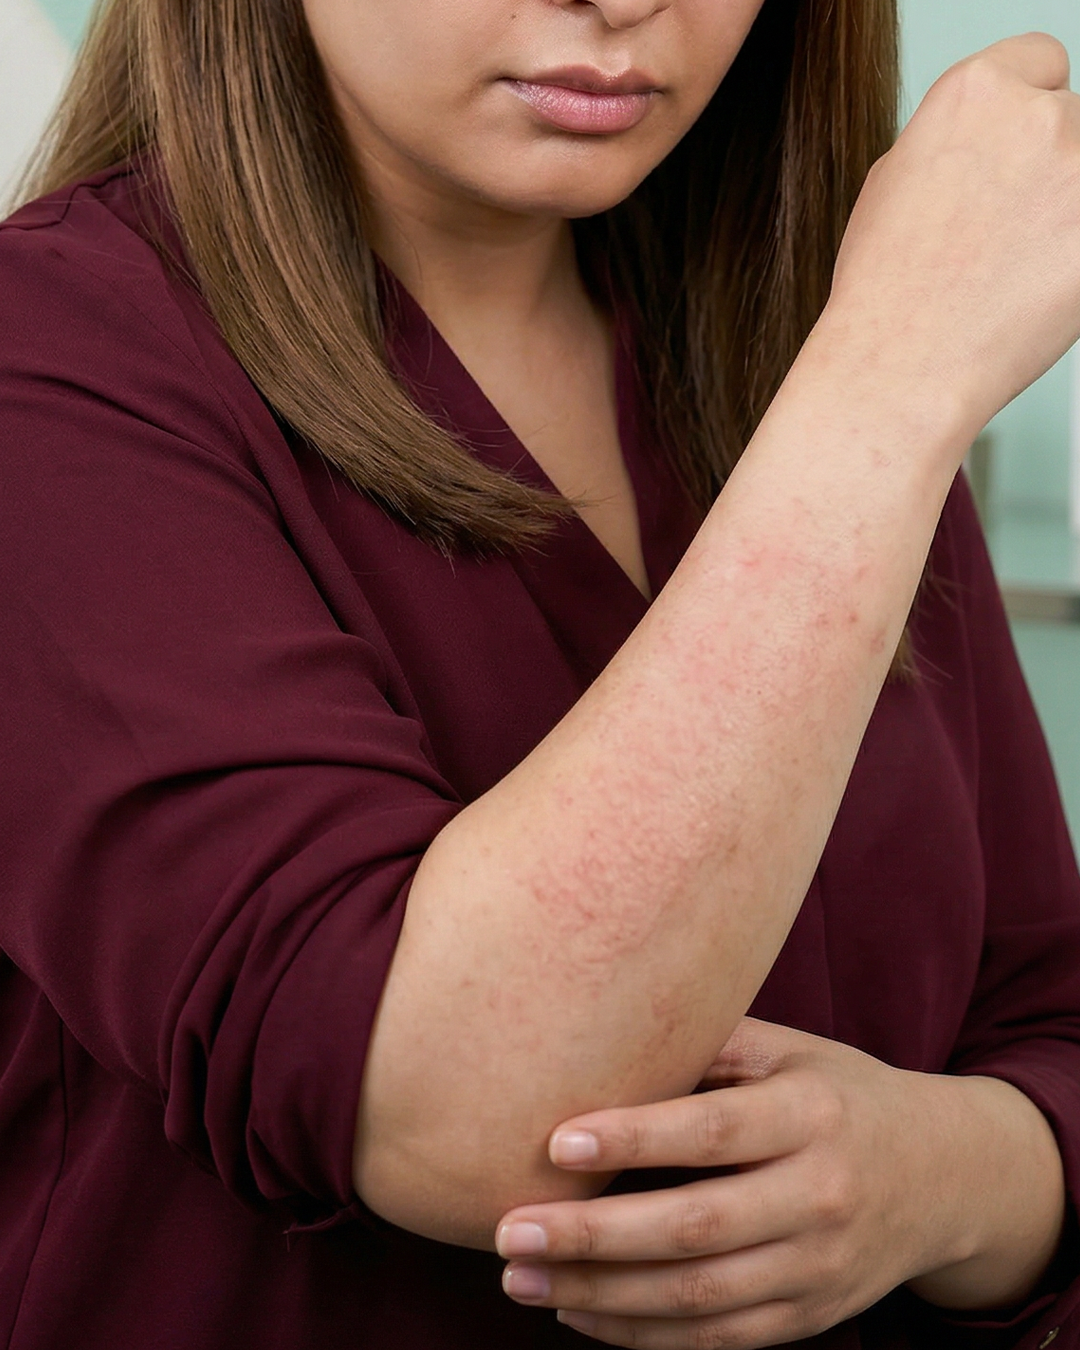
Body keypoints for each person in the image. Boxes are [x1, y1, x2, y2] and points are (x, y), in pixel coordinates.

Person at [2, 0, 1080, 1345]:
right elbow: (466, 1120)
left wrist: (942, 1181)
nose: (620, 0)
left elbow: (1046, 1015)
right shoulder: (48, 355)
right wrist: (894, 377)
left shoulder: (800, 358)